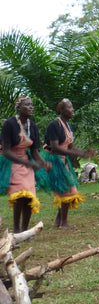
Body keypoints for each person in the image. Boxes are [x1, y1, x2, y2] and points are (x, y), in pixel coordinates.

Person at [0, 96, 51, 233]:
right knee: (20, 195)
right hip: (12, 162)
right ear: (19, 108)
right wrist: (26, 162)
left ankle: (24, 230)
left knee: (29, 196)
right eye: (27, 105)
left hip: (27, 162)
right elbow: (5, 151)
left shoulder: (32, 126)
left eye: (31, 105)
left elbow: (34, 151)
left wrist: (43, 163)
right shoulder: (10, 124)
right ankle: (16, 229)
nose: (31, 107)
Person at [43, 99, 96, 229]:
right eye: (70, 108)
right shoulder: (54, 125)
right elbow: (55, 147)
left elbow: (70, 147)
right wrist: (76, 154)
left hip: (63, 160)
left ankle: (58, 221)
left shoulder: (67, 125)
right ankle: (63, 223)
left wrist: (84, 153)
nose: (73, 110)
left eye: (72, 108)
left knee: (68, 189)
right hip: (54, 160)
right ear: (62, 110)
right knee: (65, 189)